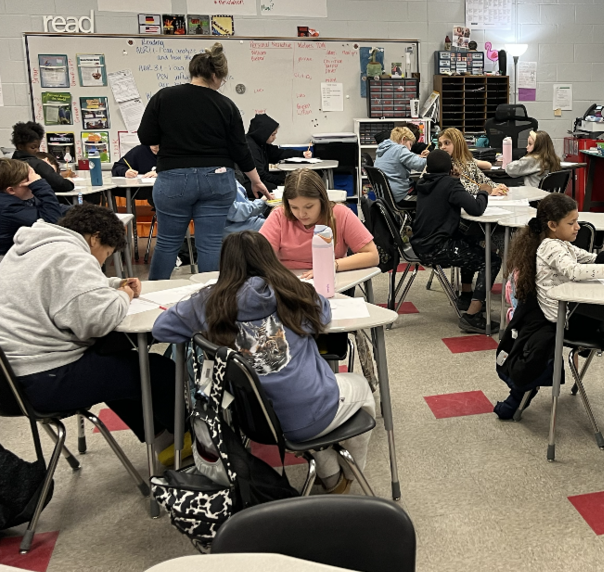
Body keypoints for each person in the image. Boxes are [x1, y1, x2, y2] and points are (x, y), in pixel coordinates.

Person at [152, 231, 375, 494]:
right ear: (270, 259)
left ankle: (331, 474)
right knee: (363, 390)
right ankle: (348, 476)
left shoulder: (209, 303)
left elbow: (161, 330)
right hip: (311, 410)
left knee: (308, 410)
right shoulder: (294, 293)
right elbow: (324, 314)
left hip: (256, 422)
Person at [0, 204, 177, 447]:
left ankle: (160, 438)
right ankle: (186, 441)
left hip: (8, 381)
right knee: (158, 371)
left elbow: (62, 289)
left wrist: (112, 284)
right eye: (106, 254)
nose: (102, 262)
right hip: (42, 380)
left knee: (115, 363)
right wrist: (124, 294)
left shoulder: (32, 247)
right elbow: (98, 321)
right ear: (95, 239)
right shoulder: (72, 256)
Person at [137, 42, 271, 280]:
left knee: (167, 242)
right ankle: (212, 301)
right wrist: (256, 181)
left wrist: (161, 140)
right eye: (222, 79)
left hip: (173, 179)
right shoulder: (226, 105)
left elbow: (146, 136)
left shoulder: (163, 97)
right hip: (217, 179)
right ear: (213, 75)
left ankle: (155, 296)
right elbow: (240, 150)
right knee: (210, 244)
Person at [507, 193, 604, 335]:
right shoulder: (550, 246)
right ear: (552, 225)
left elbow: (589, 258)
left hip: (568, 309)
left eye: (577, 221)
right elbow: (574, 271)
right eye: (571, 223)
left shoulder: (561, 244)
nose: (577, 227)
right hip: (563, 317)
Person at [411, 150, 500, 334]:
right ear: (451, 167)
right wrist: (483, 192)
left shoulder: (424, 182)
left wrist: (455, 180)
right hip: (438, 248)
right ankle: (472, 315)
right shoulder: (450, 185)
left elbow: (448, 193)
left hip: (421, 244)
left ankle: (466, 295)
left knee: (471, 238)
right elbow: (476, 208)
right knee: (492, 261)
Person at [260, 168, 377, 275]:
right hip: (288, 280)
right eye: (294, 207)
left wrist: (332, 265)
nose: (301, 214)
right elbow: (260, 258)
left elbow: (372, 256)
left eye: (309, 206)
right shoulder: (279, 215)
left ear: (322, 200)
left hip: (330, 277)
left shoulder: (340, 214)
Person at [0, 159, 66, 254]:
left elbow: (51, 208)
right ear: (11, 190)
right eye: (30, 181)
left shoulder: (17, 198)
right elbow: (51, 223)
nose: (33, 183)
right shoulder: (6, 207)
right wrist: (40, 186)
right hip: (5, 260)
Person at [438, 127, 508, 196]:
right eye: (440, 144)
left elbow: (482, 179)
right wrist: (489, 191)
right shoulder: (445, 165)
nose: (442, 147)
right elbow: (463, 187)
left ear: (457, 144)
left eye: (446, 143)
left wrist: (496, 186)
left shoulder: (468, 161)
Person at [10, 122, 74, 194]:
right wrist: (69, 180)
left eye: (38, 147)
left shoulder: (10, 164)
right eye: (33, 147)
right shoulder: (38, 164)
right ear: (20, 147)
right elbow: (63, 185)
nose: (37, 150)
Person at [239, 113, 287, 198]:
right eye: (273, 134)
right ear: (263, 133)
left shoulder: (261, 144)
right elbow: (260, 174)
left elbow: (277, 153)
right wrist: (282, 180)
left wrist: (302, 154)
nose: (274, 137)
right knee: (274, 188)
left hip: (257, 180)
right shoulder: (250, 147)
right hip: (249, 183)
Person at [374, 126, 425, 202]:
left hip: (386, 195)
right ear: (403, 139)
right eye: (410, 144)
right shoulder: (399, 149)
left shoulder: (383, 149)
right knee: (429, 198)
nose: (410, 149)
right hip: (400, 195)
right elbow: (420, 165)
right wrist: (434, 158)